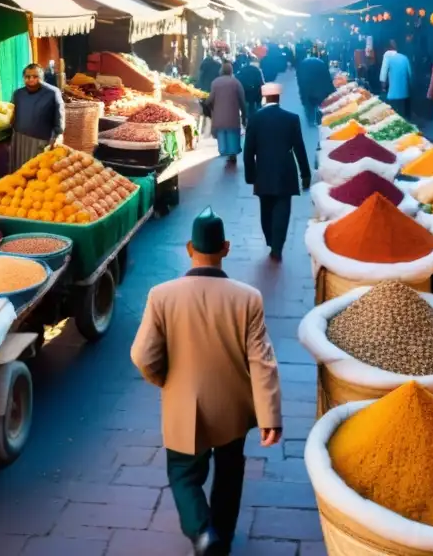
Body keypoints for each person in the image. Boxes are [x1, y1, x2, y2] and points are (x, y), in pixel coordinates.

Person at [131, 208, 282, 556]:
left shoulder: (162, 295)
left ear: (189, 248)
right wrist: (270, 415)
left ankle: (202, 533)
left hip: (183, 408)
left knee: (184, 474)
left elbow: (142, 355)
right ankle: (223, 538)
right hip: (233, 409)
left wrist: (165, 380)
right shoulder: (248, 298)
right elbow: (263, 362)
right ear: (226, 248)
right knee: (230, 474)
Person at [244, 83, 310, 261]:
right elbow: (299, 147)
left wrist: (250, 175)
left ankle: (270, 240)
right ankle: (277, 246)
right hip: (285, 170)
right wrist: (305, 173)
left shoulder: (255, 118)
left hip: (263, 171)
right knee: (283, 208)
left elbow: (248, 150)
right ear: (278, 98)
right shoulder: (291, 118)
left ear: (264, 97)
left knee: (266, 208)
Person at [9, 63, 65, 171]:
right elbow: (12, 112)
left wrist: (58, 134)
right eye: (27, 77)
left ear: (42, 77)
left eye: (35, 77)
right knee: (19, 170)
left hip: (41, 141)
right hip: (19, 139)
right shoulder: (18, 94)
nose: (31, 80)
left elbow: (59, 115)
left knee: (37, 171)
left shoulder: (52, 93)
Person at [205, 62, 247, 165]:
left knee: (222, 134)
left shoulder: (215, 82)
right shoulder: (236, 82)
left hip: (219, 116)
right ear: (231, 71)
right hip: (233, 116)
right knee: (233, 134)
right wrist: (245, 114)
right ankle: (232, 154)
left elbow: (210, 99)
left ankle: (224, 151)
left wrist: (208, 106)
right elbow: (242, 100)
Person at [296, 50, 336, 127]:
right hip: (320, 90)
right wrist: (331, 90)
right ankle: (320, 121)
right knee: (321, 105)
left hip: (307, 89)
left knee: (309, 105)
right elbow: (327, 78)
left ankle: (310, 120)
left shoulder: (302, 64)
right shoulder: (320, 63)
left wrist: (302, 97)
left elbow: (299, 80)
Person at [379, 40, 413, 120]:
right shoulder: (405, 58)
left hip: (393, 95)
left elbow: (383, 75)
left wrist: (383, 88)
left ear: (387, 48)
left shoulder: (387, 56)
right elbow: (410, 75)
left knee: (395, 118)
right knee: (405, 117)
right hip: (405, 94)